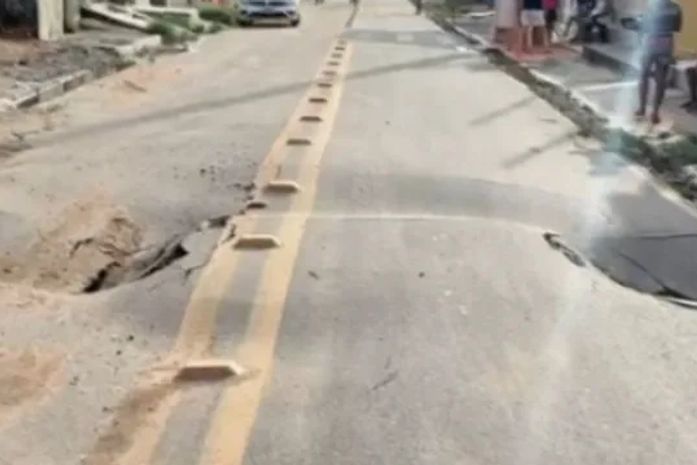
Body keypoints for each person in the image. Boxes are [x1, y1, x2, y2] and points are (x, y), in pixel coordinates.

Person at [622, 0, 682, 125]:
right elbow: (676, 28)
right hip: (666, 43)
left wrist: (636, 26)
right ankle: (655, 112)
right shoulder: (676, 8)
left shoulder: (652, 5)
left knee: (644, 74)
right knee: (661, 79)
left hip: (650, 41)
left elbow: (643, 26)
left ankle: (642, 108)